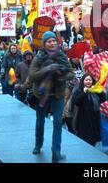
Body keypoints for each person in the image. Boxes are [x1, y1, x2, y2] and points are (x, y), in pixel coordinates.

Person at [28, 31, 74, 163]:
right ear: (44, 43)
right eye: (49, 41)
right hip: (42, 94)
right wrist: (47, 69)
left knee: (58, 122)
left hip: (58, 95)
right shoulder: (38, 57)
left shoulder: (62, 56)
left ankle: (56, 151)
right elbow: (33, 75)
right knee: (40, 121)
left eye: (54, 41)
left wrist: (61, 76)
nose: (52, 43)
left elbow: (71, 73)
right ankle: (38, 143)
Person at [71, 74, 106, 146]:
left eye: (90, 80)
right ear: (83, 81)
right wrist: (84, 92)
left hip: (94, 118)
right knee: (84, 140)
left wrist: (98, 90)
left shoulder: (95, 90)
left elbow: (103, 99)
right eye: (86, 80)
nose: (88, 81)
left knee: (93, 140)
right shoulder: (79, 90)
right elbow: (75, 101)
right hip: (83, 119)